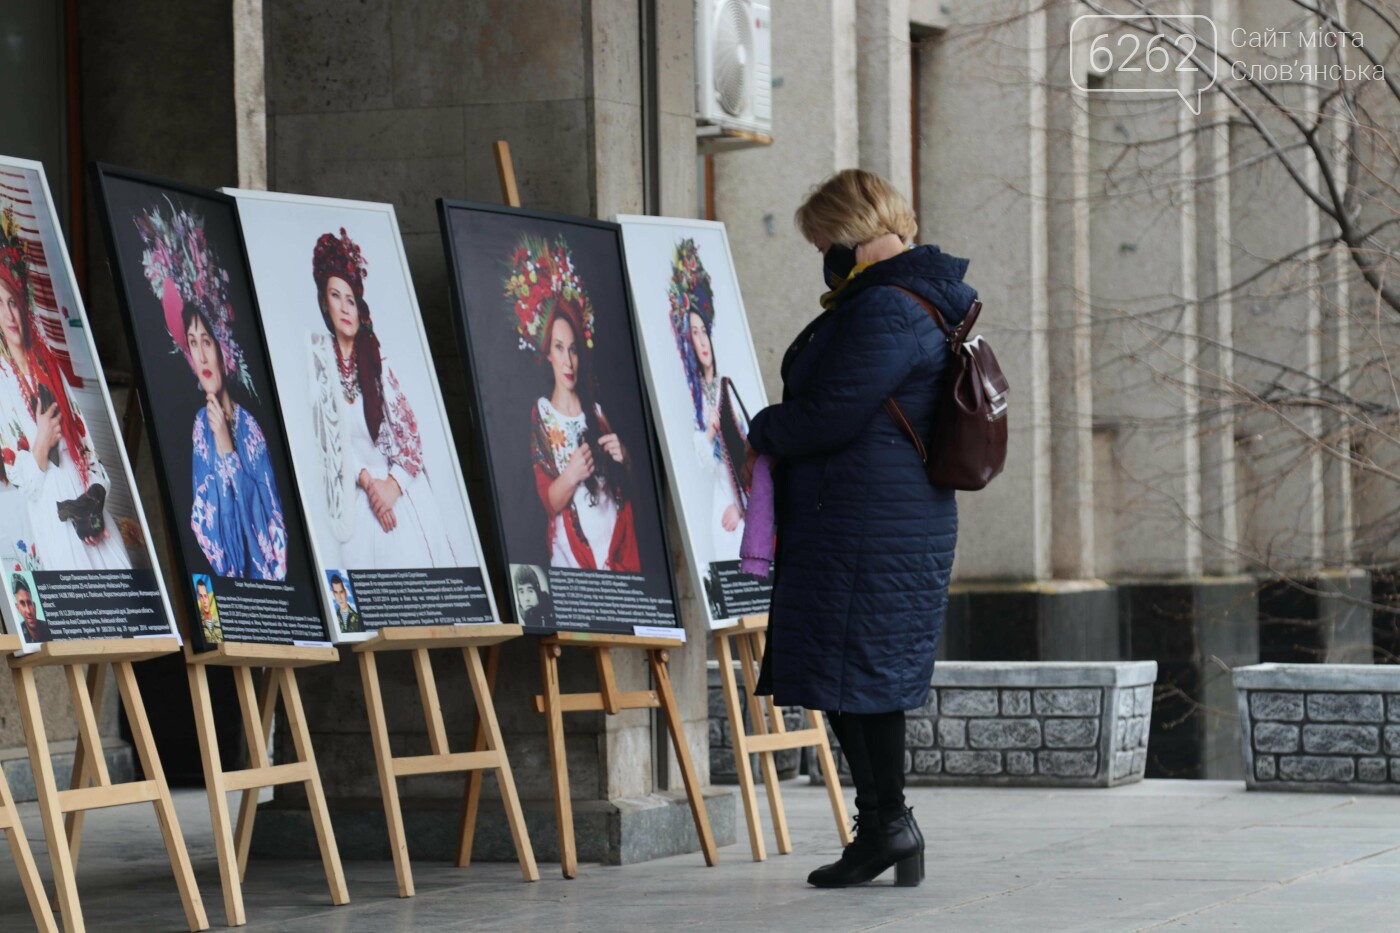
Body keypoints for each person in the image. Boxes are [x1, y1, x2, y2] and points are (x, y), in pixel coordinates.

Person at [746, 169, 975, 888]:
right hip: (871, 517)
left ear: (852, 236)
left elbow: (832, 412)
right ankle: (885, 826)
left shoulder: (889, 309)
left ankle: (888, 825)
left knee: (855, 677)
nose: (823, 257)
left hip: (868, 524)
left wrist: (758, 428)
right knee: (859, 677)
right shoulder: (905, 299)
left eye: (824, 242)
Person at [135, 200, 289, 581]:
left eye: (207, 340)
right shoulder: (199, 426)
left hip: (266, 597)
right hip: (225, 587)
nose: (201, 353)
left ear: (223, 349)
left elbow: (271, 531)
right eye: (193, 341)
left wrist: (226, 446)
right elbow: (205, 527)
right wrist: (216, 441)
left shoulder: (249, 426)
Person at [306, 228, 456, 569]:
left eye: (351, 299)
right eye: (335, 296)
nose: (344, 308)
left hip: (398, 497)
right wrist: (365, 481)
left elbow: (411, 438)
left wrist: (389, 488)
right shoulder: (319, 363)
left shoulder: (375, 359)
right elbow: (324, 441)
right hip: (356, 499)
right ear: (324, 303)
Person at [0, 208, 132, 572]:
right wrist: (41, 442)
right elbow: (16, 482)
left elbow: (91, 456)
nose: (9, 315)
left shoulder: (51, 366)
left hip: (89, 519)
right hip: (48, 521)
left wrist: (94, 499)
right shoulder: (3, 384)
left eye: (12, 301)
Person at [506, 234, 640, 572]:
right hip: (574, 556)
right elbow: (548, 500)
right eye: (559, 348)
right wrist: (571, 475)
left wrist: (623, 455)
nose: (568, 361)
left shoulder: (594, 411)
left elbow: (626, 480)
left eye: (574, 349)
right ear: (547, 354)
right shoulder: (543, 414)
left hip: (616, 545)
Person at [669, 239, 749, 561]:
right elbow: (703, 460)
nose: (701, 340)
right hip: (722, 500)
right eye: (694, 334)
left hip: (738, 502)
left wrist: (741, 507)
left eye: (703, 331)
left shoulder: (728, 383)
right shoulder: (699, 399)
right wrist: (712, 431)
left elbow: (750, 452)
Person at [12, 575, 50, 642]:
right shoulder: (17, 634)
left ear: (34, 606)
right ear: (18, 608)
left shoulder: (49, 628)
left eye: (29, 603)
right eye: (22, 604)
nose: (28, 611)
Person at [195, 577, 222, 644]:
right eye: (201, 596)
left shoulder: (218, 621)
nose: (204, 601)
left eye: (205, 596)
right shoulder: (198, 624)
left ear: (209, 598)